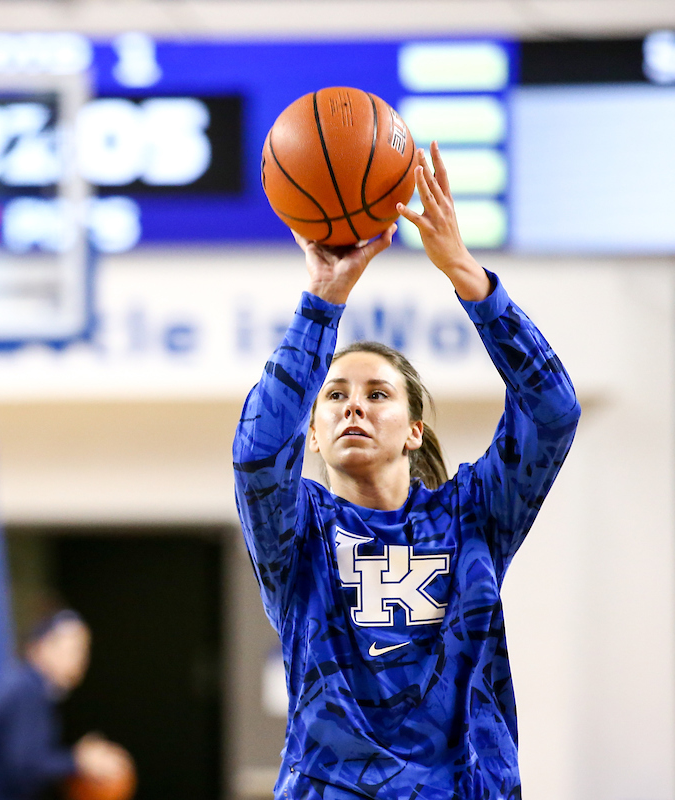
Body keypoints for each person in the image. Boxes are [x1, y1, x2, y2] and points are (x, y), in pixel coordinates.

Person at [233, 142, 580, 799]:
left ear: (414, 430)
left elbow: (553, 411)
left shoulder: (473, 513)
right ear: (312, 432)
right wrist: (321, 302)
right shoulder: (299, 531)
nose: (352, 406)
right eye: (334, 395)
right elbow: (255, 452)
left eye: (377, 394)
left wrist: (467, 276)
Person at [0, 609, 132, 800]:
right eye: (73, 649)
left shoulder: (30, 687)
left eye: (84, 650)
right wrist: (78, 761)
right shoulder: (26, 689)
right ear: (40, 646)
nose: (80, 659)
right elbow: (23, 765)